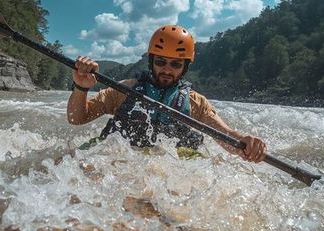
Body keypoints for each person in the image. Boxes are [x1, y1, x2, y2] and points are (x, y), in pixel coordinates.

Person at [66, 24, 267, 163]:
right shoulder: (123, 90)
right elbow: (77, 118)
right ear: (151, 61)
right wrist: (81, 87)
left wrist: (245, 143)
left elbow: (226, 135)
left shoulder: (196, 102)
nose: (167, 70)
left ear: (185, 66)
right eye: (161, 62)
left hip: (170, 165)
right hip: (120, 157)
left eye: (176, 64)